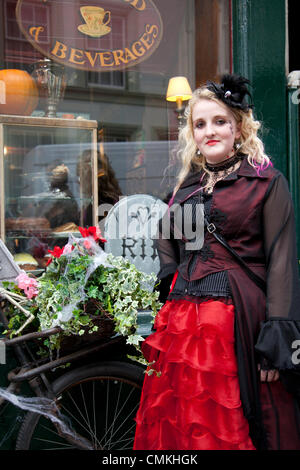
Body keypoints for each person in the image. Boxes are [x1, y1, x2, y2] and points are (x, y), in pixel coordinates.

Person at [133, 74, 300, 451]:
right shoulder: (187, 185)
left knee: (230, 421)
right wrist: (170, 275)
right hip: (183, 327)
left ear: (238, 128)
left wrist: (276, 339)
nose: (210, 131)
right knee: (184, 422)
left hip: (237, 323)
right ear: (192, 133)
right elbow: (168, 240)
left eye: (220, 121)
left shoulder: (265, 181)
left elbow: (282, 263)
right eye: (200, 123)